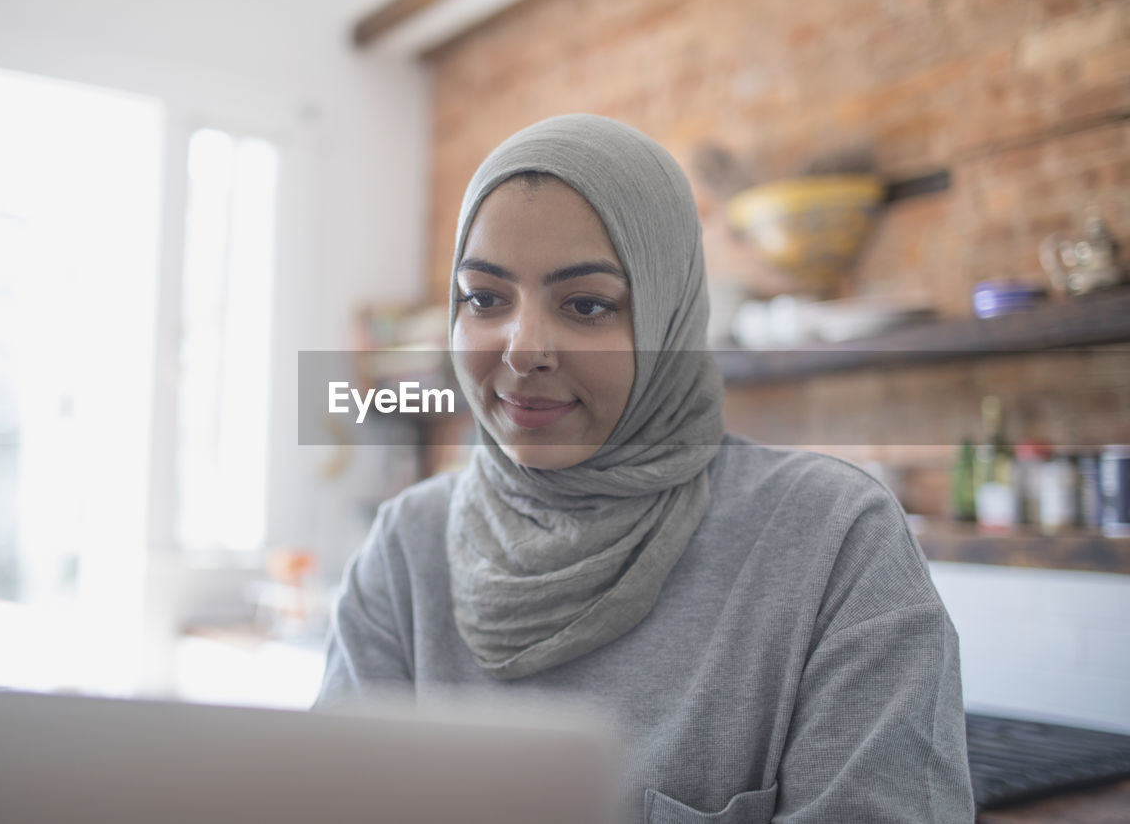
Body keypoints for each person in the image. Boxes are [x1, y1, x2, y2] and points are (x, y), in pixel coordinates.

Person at [315, 114, 975, 823]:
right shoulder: (404, 552)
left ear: (669, 317)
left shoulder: (833, 543)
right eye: (484, 298)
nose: (523, 348)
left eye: (587, 304)